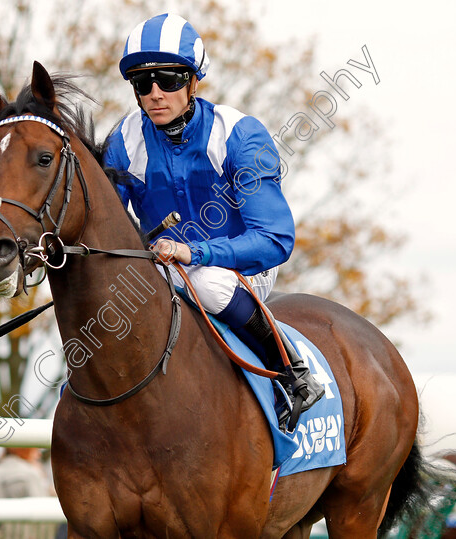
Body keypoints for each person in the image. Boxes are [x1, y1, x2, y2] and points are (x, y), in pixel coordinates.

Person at [102, 13, 324, 421]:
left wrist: (195, 252)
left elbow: (275, 241)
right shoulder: (123, 140)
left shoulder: (238, 133)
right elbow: (105, 228)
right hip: (158, 265)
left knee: (205, 281)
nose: (154, 93)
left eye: (168, 79)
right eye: (141, 83)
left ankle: (292, 371)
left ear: (193, 81)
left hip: (238, 267)